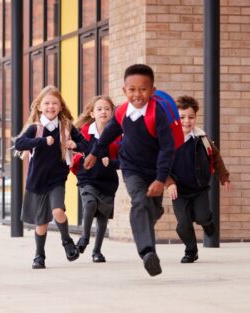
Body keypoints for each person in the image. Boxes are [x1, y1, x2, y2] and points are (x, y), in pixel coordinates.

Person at [84, 64, 175, 277]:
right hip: (131, 167)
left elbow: (167, 148)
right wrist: (95, 152)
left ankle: (154, 212)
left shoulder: (158, 114)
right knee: (140, 202)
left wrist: (161, 179)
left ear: (152, 91)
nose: (137, 94)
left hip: (155, 170)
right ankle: (148, 253)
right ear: (124, 90)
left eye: (143, 89)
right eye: (132, 89)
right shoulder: (123, 111)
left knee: (150, 209)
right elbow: (109, 133)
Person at [15, 85, 88, 270]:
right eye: (47, 103)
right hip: (37, 180)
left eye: (55, 103)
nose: (51, 107)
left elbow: (86, 145)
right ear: (39, 106)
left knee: (57, 211)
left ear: (61, 106)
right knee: (42, 223)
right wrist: (41, 141)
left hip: (57, 178)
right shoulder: (36, 128)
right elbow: (20, 143)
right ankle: (39, 255)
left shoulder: (67, 126)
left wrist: (75, 145)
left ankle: (67, 241)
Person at [166, 95, 230, 263]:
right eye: (182, 117)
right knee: (183, 225)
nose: (187, 121)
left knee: (202, 217)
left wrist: (223, 176)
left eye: (191, 117)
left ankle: (207, 222)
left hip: (199, 188)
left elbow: (215, 157)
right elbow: (160, 165)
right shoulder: (168, 140)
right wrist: (169, 183)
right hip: (179, 191)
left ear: (195, 117)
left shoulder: (202, 138)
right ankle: (191, 250)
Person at [72, 96, 120, 263]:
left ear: (112, 112)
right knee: (90, 203)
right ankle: (84, 238)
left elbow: (123, 156)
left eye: (107, 108)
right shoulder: (84, 132)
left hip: (108, 179)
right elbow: (75, 149)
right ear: (92, 113)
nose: (103, 112)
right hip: (87, 176)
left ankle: (97, 251)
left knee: (103, 217)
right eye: (99, 109)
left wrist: (113, 162)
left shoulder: (117, 133)